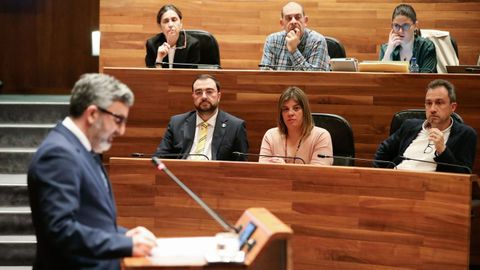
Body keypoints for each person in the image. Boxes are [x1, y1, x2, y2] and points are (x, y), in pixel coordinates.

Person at [28, 74, 157, 269]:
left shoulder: (82, 149)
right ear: (92, 114)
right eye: (118, 120)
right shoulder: (59, 154)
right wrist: (125, 245)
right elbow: (60, 230)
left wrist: (124, 235)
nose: (121, 130)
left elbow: (89, 220)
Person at [374, 79, 477, 174]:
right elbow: (383, 150)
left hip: (430, 189)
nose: (432, 109)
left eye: (439, 103)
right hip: (396, 180)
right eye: (428, 103)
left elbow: (463, 176)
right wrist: (379, 176)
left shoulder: (466, 134)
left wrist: (442, 150)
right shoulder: (409, 125)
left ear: (452, 107)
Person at [154, 74, 249, 161]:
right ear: (193, 96)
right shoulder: (176, 123)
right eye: (198, 92)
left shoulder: (235, 126)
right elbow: (159, 158)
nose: (204, 97)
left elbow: (241, 166)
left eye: (209, 92)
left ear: (218, 96)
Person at [259, 86, 333, 165]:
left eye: (296, 108)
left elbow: (317, 175)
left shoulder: (321, 136)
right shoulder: (270, 136)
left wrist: (285, 168)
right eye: (285, 109)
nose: (290, 113)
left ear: (305, 111)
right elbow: (262, 172)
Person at [260, 2, 329, 71]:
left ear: (305, 21)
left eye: (297, 17)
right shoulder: (272, 40)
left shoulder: (318, 41)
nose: (293, 21)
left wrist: (293, 50)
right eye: (289, 18)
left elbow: (316, 78)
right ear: (282, 24)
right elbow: (265, 74)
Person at [379, 4, 437, 73]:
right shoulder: (385, 48)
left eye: (405, 26)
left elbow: (426, 78)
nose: (400, 31)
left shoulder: (426, 47)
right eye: (396, 26)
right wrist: (388, 52)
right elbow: (380, 78)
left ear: (415, 25)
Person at [145, 4, 200, 68]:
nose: (170, 24)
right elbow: (151, 76)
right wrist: (159, 59)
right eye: (166, 21)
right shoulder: (152, 44)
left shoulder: (192, 44)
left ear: (180, 23)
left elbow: (191, 75)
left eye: (174, 20)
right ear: (160, 26)